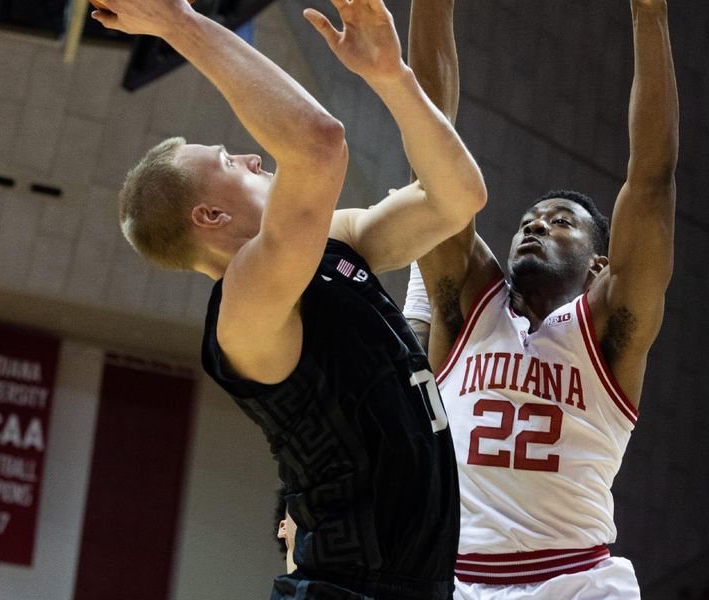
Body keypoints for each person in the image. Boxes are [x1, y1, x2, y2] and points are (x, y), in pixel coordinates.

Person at [92, 0, 487, 598]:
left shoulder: (334, 244)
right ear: (211, 215)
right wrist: (177, 20)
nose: (252, 157)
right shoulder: (245, 310)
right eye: (229, 161)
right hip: (351, 587)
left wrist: (391, 77)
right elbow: (319, 143)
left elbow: (457, 198)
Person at [404, 0, 678, 598]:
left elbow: (652, 180)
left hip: (576, 581)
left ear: (599, 264)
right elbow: (432, 144)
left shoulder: (607, 329)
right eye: (528, 219)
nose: (534, 226)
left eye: (559, 223)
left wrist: (650, 15)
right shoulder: (468, 305)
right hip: (457, 582)